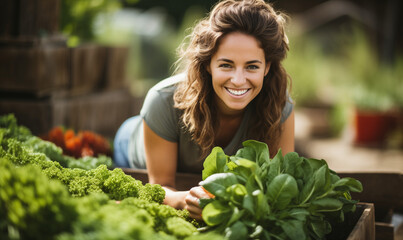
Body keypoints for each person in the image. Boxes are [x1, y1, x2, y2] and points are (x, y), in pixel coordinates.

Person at [113, 0, 294, 220]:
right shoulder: (162, 100)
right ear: (208, 64)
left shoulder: (279, 106)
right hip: (133, 143)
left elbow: (279, 182)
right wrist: (186, 200)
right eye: (226, 65)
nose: (238, 80)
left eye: (252, 66)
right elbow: (160, 186)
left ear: (267, 67)